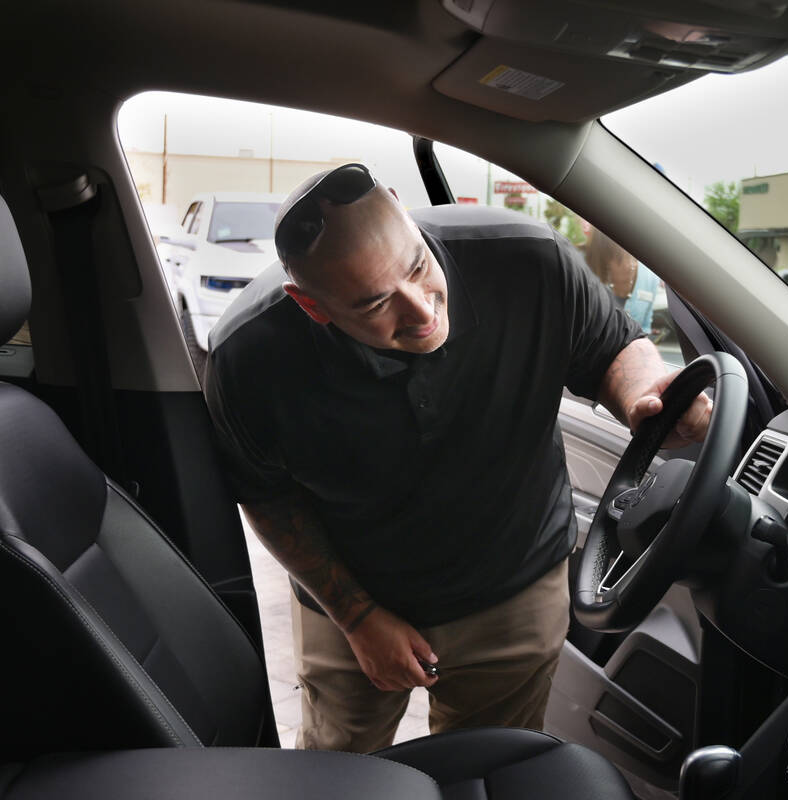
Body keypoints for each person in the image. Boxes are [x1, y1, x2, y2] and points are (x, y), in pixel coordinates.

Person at [204, 163, 711, 753]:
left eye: (418, 267)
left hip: (515, 590)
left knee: (490, 766)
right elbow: (267, 499)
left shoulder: (529, 260)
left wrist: (645, 398)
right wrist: (359, 619)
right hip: (350, 601)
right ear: (312, 306)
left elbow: (613, 348)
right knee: (335, 767)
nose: (421, 312)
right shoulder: (248, 360)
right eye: (374, 306)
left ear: (401, 207)